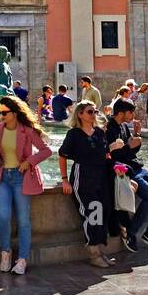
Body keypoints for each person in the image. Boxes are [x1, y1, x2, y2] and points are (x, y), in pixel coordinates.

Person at [0, 94, 52, 275]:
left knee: (23, 220)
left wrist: (29, 161)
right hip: (1, 177)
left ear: (14, 113)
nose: (1, 116)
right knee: (4, 216)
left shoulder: (27, 130)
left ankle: (22, 259)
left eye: (4, 113)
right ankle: (5, 252)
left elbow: (46, 151)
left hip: (21, 177)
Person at [58, 100, 118, 267]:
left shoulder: (99, 132)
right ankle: (93, 252)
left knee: (104, 209)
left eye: (95, 112)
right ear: (80, 114)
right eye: (90, 112)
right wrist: (64, 179)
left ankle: (100, 249)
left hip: (101, 177)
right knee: (93, 211)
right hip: (82, 177)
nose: (94, 115)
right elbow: (62, 155)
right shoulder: (74, 134)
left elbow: (105, 155)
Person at [107, 98, 148, 252]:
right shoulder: (108, 129)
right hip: (126, 170)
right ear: (121, 112)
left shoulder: (123, 126)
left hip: (138, 167)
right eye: (131, 112)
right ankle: (131, 232)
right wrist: (130, 146)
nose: (133, 115)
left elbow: (131, 150)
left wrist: (136, 136)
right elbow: (114, 156)